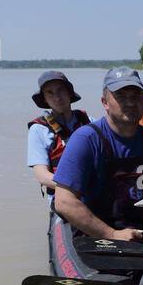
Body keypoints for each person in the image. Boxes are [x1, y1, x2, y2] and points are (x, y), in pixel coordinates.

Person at [52, 67, 143, 241]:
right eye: (121, 97)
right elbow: (63, 202)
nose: (130, 103)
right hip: (99, 237)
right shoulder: (86, 139)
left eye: (135, 96)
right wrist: (112, 234)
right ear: (105, 103)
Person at [26, 70, 90, 200]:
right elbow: (42, 176)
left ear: (69, 92)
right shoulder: (38, 130)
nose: (57, 97)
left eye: (61, 90)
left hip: (94, 195)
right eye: (50, 93)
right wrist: (76, 185)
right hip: (62, 199)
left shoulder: (90, 123)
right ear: (44, 98)